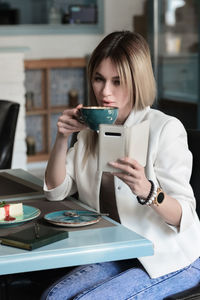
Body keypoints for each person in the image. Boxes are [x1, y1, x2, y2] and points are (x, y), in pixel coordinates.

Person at [42, 31, 200, 300]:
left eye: (118, 81)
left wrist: (148, 191)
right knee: (53, 297)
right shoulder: (92, 129)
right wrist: (61, 137)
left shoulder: (165, 129)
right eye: (99, 79)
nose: (105, 92)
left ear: (136, 81)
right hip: (117, 252)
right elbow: (55, 191)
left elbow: (184, 216)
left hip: (170, 256)